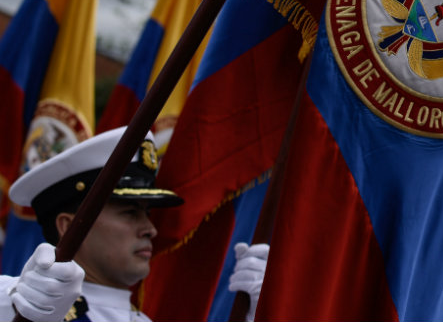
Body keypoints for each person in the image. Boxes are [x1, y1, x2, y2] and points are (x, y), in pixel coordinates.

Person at [0, 127, 268, 322]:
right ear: (69, 226)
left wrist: (258, 314)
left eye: (147, 213)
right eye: (130, 213)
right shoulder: (18, 304)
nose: (150, 229)